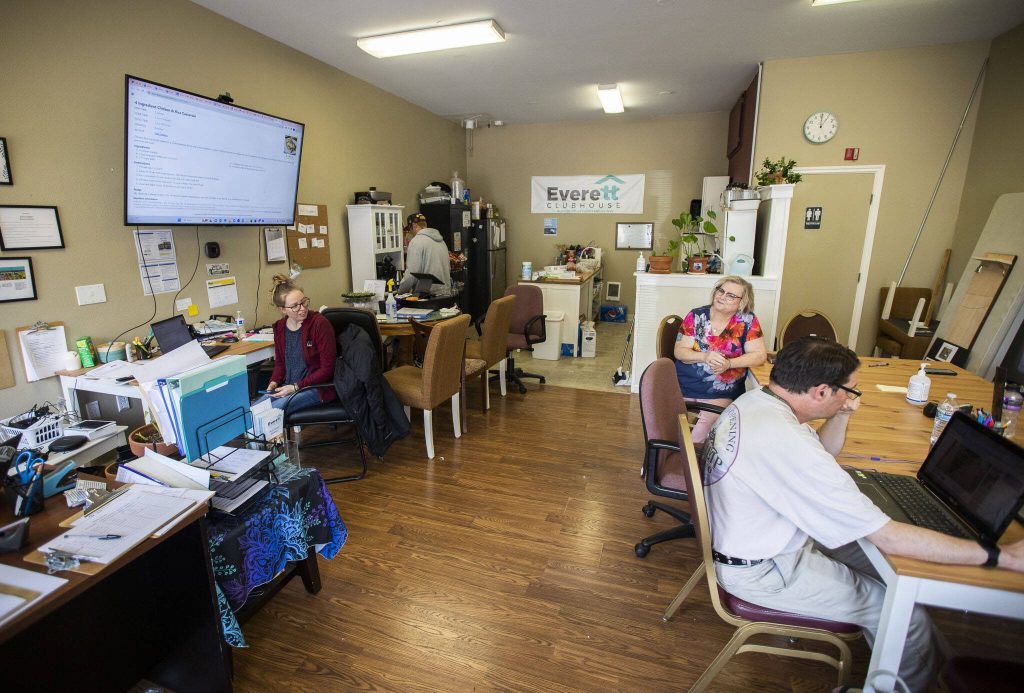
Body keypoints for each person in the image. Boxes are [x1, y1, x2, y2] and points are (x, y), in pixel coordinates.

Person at [701, 336, 1024, 691]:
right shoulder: (787, 443)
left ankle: (921, 660)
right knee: (904, 616)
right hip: (765, 570)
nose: (853, 396)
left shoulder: (758, 402)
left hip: (764, 540)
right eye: (850, 390)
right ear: (822, 391)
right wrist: (1000, 556)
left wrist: (840, 415)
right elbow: (885, 535)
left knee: (890, 569)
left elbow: (821, 451)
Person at [673, 275, 767, 443]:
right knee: (668, 424)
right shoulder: (696, 316)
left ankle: (688, 462)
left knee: (704, 428)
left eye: (731, 295)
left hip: (721, 391)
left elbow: (759, 355)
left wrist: (730, 363)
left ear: (742, 302)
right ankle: (674, 458)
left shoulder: (747, 321)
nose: (722, 296)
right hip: (685, 384)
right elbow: (679, 351)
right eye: (721, 290)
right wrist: (704, 356)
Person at [257, 274, 336, 414]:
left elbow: (327, 369)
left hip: (315, 388)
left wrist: (295, 386)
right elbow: (280, 364)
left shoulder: (319, 324)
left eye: (304, 302)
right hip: (288, 387)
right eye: (294, 306)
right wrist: (274, 382)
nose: (302, 308)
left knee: (269, 413)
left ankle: (267, 436)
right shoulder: (280, 327)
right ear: (282, 309)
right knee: (254, 410)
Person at [398, 212, 452, 294]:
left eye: (409, 229)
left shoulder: (416, 241)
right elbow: (448, 267)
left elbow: (412, 273)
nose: (410, 233)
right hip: (445, 292)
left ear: (414, 225)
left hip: (428, 295)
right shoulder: (441, 241)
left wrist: (400, 291)